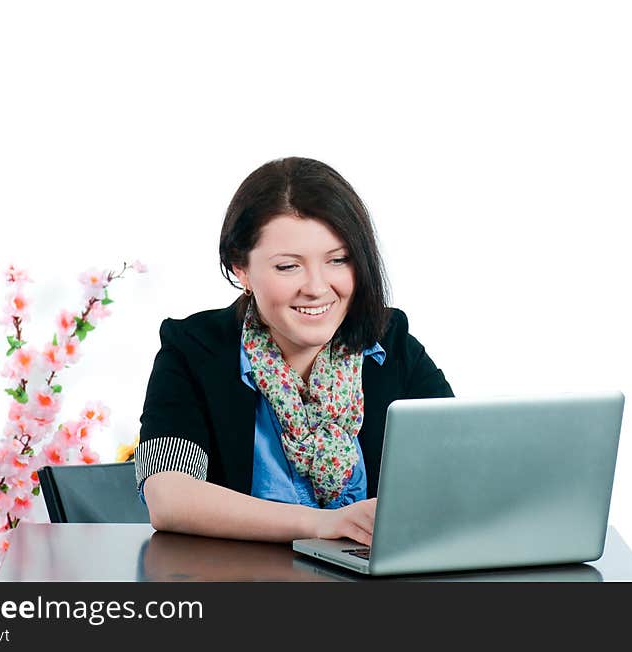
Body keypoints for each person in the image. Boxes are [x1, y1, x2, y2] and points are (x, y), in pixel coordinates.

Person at [136, 157, 453, 546]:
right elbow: (168, 497)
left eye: (338, 260)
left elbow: (459, 467)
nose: (317, 287)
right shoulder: (194, 348)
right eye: (289, 267)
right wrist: (323, 524)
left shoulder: (391, 341)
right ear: (242, 269)